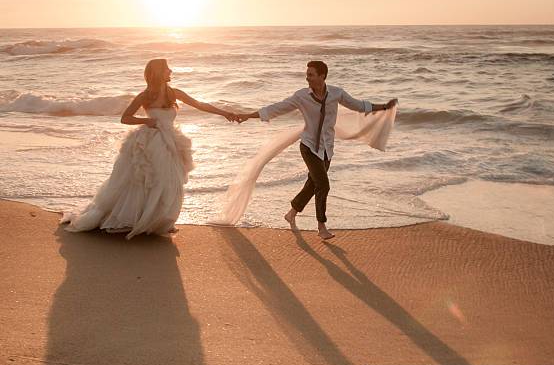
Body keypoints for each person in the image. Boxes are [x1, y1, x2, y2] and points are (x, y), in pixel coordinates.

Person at [61, 58, 237, 239]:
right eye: (167, 68)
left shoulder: (174, 93)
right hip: (151, 141)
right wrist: (146, 121)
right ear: (159, 72)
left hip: (171, 141)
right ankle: (136, 218)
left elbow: (200, 105)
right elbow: (125, 118)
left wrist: (226, 113)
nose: (170, 71)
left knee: (170, 181)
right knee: (147, 181)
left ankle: (160, 221)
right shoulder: (145, 96)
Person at [237, 60, 397, 239]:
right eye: (307, 75)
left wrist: (384, 107)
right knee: (323, 185)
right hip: (308, 147)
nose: (307, 78)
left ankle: (291, 213)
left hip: (327, 148)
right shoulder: (301, 96)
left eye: (311, 75)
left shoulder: (336, 93)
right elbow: (277, 108)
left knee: (312, 184)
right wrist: (247, 116)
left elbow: (358, 106)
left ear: (322, 76)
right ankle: (321, 227)